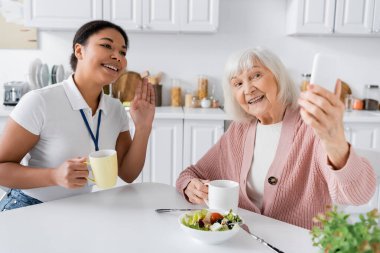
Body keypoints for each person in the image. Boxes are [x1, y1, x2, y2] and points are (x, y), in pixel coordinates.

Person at [176, 47, 376, 229]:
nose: (248, 89)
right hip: (245, 242)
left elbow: (357, 194)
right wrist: (190, 187)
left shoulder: (310, 126)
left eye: (256, 75)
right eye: (237, 83)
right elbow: (191, 173)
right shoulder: (239, 130)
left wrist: (335, 141)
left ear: (278, 77)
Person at [0, 20, 155, 211]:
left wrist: (143, 127)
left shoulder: (115, 109)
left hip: (79, 208)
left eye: (123, 52)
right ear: (79, 51)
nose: (118, 57)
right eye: (107, 45)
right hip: (28, 208)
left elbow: (128, 173)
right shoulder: (39, 101)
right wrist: (54, 176)